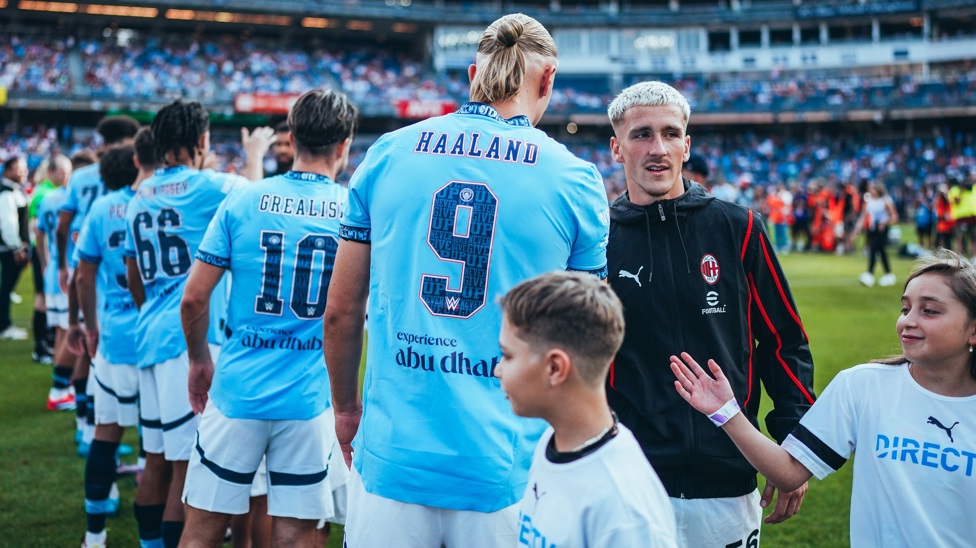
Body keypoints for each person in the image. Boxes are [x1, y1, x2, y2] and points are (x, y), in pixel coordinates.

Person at [323, 13, 610, 547]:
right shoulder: (574, 179)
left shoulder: (388, 152)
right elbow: (586, 339)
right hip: (508, 464)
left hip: (394, 455)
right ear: (547, 79)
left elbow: (340, 311)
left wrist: (344, 410)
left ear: (475, 72)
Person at [604, 81, 815, 548]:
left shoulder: (737, 226)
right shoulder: (596, 238)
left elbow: (783, 340)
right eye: (641, 135)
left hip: (726, 480)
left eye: (670, 134)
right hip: (627, 479)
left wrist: (792, 446)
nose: (657, 149)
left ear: (687, 145)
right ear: (617, 148)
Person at [671, 248, 976, 547]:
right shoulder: (862, 387)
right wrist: (726, 412)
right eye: (905, 308)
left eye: (930, 311)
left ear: (973, 330)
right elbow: (789, 472)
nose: (908, 321)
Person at [179, 88, 357, 547]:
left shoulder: (244, 199)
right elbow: (348, 315)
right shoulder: (354, 212)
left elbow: (194, 299)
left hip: (237, 390)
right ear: (345, 146)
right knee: (298, 535)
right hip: (308, 401)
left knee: (201, 532)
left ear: (292, 136)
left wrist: (199, 359)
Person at [123, 100, 253, 548]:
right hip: (189, 336)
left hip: (149, 334)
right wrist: (253, 154)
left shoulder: (138, 196)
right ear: (202, 141)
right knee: (186, 469)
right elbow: (258, 200)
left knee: (156, 456)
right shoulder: (212, 185)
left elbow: (133, 274)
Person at [496, 271, 678, 547]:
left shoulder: (625, 512)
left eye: (507, 356)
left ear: (555, 368)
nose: (498, 369)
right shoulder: (552, 442)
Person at [74, 142, 146, 548]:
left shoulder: (102, 209)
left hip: (116, 338)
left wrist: (88, 324)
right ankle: (156, 537)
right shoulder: (162, 202)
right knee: (163, 450)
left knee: (107, 433)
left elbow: (83, 276)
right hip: (162, 341)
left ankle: (95, 536)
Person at [0, 155, 30, 340]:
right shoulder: (6, 193)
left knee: (7, 288)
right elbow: (8, 224)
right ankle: (4, 325)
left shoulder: (13, 191)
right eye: (20, 168)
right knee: (6, 288)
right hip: (9, 249)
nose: (24, 172)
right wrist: (17, 247)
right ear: (9, 170)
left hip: (12, 247)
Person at [857, 182, 899, 287]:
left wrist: (885, 223)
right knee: (881, 251)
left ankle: (869, 274)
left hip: (882, 228)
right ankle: (889, 274)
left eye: (873, 189)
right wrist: (858, 228)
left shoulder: (886, 201)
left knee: (874, 249)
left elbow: (894, 216)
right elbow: (864, 215)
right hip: (873, 228)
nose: (871, 190)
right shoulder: (869, 201)